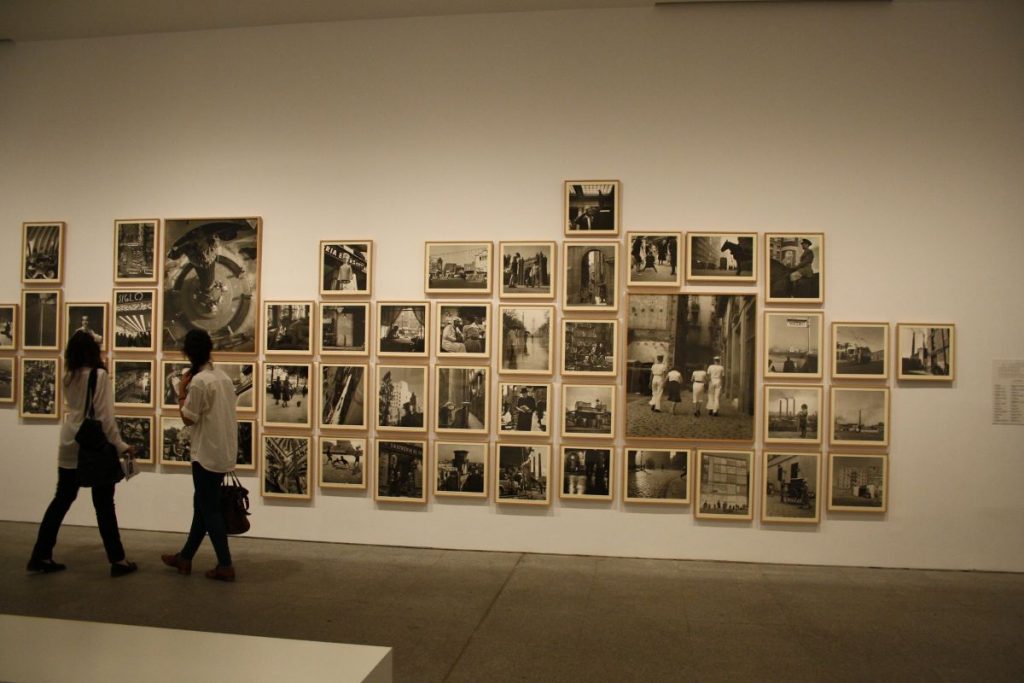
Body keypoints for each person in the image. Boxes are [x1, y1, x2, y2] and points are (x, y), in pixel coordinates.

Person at [27, 331, 138, 577]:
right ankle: (118, 560)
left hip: (69, 440)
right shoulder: (99, 376)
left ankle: (41, 554)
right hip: (93, 445)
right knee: (104, 505)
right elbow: (106, 419)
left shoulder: (68, 375)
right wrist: (121, 446)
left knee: (61, 500)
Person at [162, 329, 238, 582]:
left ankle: (225, 565)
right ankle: (185, 557)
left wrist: (181, 391)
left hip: (206, 453)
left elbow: (187, 417)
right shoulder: (223, 377)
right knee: (202, 507)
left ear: (189, 353)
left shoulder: (200, 381)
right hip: (222, 450)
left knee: (209, 509)